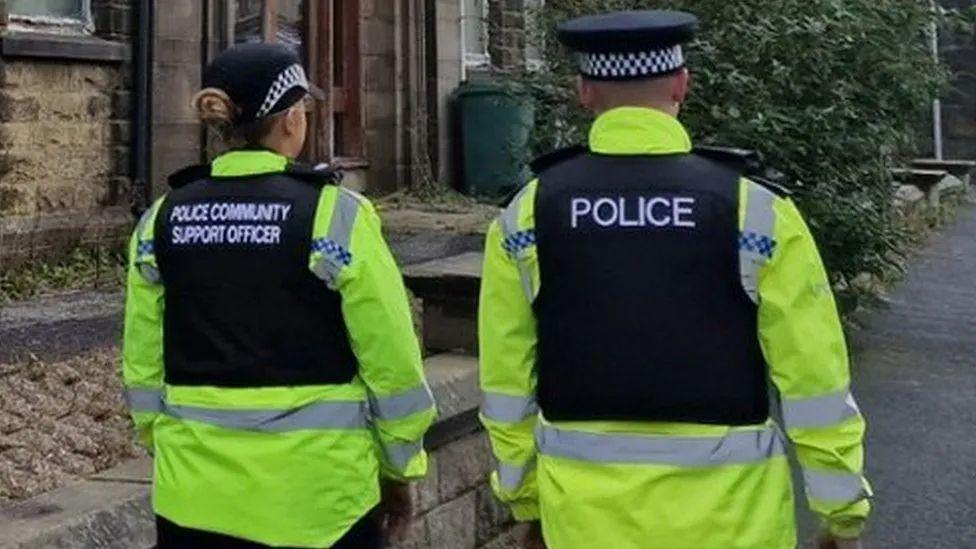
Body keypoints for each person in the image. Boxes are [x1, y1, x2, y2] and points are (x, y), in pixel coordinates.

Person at [478, 10, 871, 549]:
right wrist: (840, 511)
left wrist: (525, 502)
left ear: (584, 91)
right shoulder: (754, 211)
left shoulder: (527, 216)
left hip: (584, 521)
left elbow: (506, 380)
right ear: (682, 85)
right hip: (735, 521)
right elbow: (815, 378)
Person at [121, 42, 435, 549]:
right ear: (291, 120)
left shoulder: (162, 218)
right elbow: (392, 360)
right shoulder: (336, 216)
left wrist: (171, 447)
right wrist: (399, 469)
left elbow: (142, 362)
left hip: (193, 503)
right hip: (321, 506)